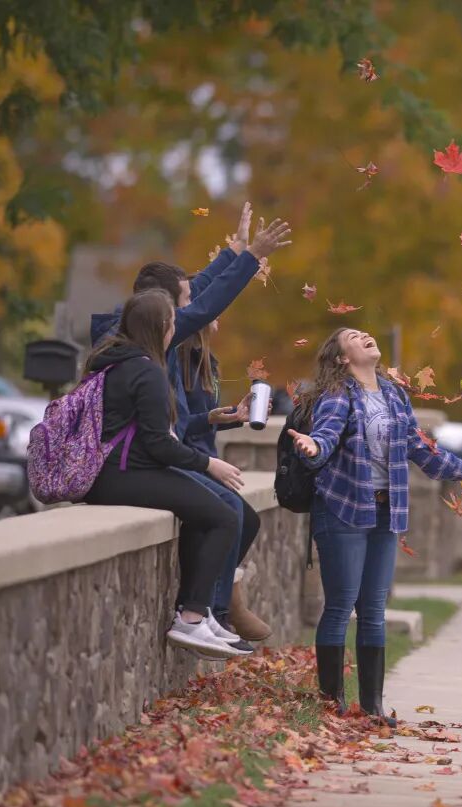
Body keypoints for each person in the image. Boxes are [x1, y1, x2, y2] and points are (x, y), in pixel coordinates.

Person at [90, 205, 291, 645]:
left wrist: (233, 252)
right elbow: (201, 307)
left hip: (143, 460)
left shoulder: (136, 331)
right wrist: (252, 257)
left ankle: (209, 611)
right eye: (180, 305)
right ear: (162, 312)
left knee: (233, 513)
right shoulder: (138, 355)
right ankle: (199, 612)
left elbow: (194, 293)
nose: (189, 310)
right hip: (129, 467)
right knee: (225, 512)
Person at [286, 328, 462, 725]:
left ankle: (373, 708)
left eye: (365, 332)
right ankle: (332, 705)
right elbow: (325, 438)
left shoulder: (393, 395)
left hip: (385, 511)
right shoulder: (337, 396)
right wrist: (313, 447)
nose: (365, 335)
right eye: (353, 336)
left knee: (373, 610)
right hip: (343, 509)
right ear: (342, 358)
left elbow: (419, 447)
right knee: (340, 606)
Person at [82, 289, 251, 659]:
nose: (176, 329)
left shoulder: (112, 360)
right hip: (124, 475)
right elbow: (159, 444)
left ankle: (198, 611)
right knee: (225, 517)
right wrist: (209, 463)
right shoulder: (147, 371)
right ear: (162, 328)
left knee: (203, 513)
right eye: (174, 322)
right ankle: (191, 618)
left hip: (111, 472)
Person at [179, 316, 272, 642]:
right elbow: (179, 425)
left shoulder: (207, 360)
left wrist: (235, 417)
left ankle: (224, 603)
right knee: (231, 514)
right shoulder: (179, 359)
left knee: (247, 520)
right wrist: (205, 462)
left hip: (205, 455)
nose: (218, 314)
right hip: (189, 459)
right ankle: (217, 609)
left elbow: (204, 419)